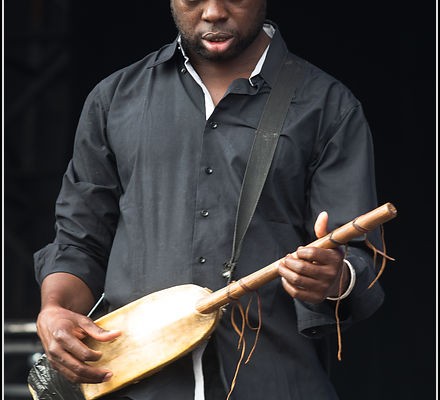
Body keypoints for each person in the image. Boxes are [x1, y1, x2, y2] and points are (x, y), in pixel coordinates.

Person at [33, 1, 385, 399]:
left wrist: (334, 276)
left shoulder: (328, 106)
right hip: (135, 384)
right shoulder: (114, 100)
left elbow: (355, 257)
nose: (214, 11)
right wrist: (56, 309)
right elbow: (80, 240)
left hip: (274, 382)